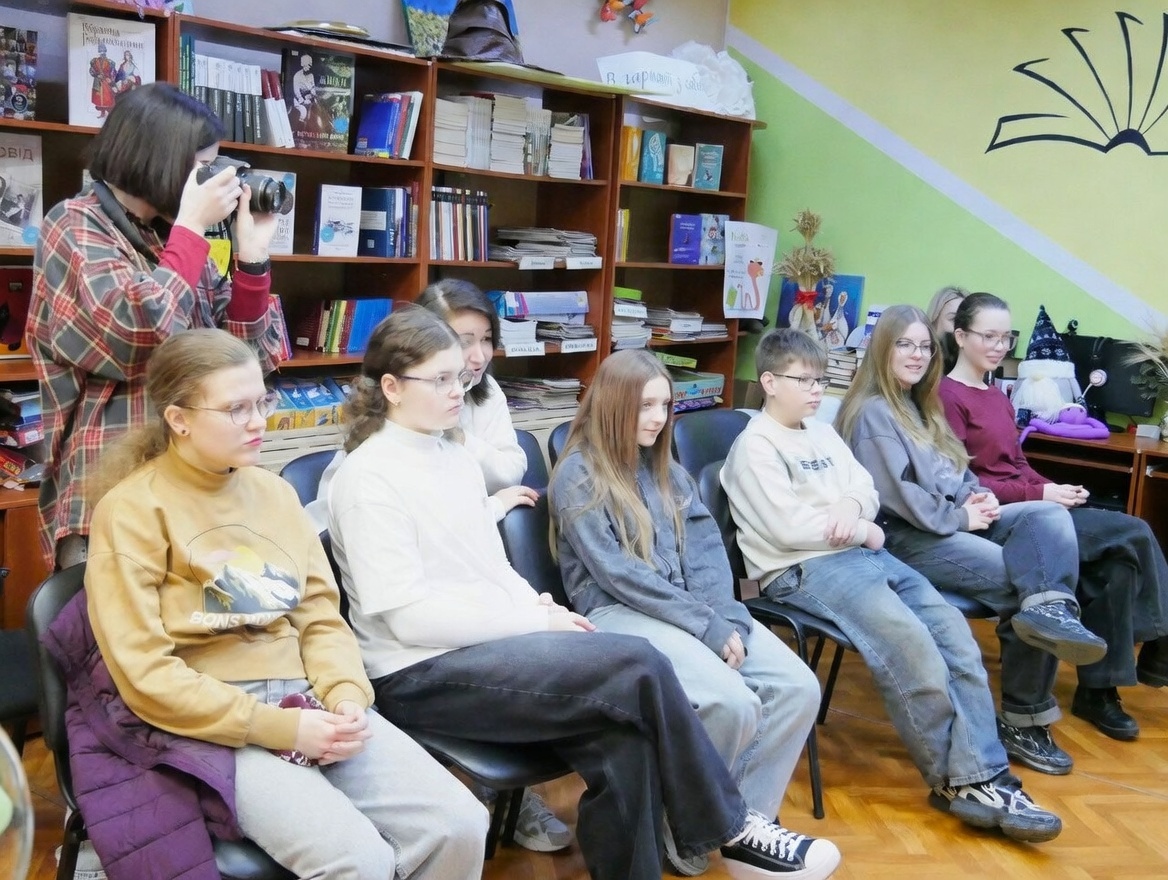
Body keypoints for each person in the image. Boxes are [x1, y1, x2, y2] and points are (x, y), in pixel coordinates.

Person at [328, 306, 841, 880]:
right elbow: (410, 621)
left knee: (626, 740)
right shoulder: (366, 477)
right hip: (416, 672)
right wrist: (533, 623)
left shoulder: (454, 457)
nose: (459, 390)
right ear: (392, 387)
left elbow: (489, 568)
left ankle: (698, 839)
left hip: (486, 645)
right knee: (638, 661)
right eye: (442, 379)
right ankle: (732, 827)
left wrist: (534, 603)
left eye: (462, 377)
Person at [80, 328, 487, 880]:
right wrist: (281, 729)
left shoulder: (273, 493)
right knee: (358, 861)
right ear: (179, 419)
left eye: (262, 402)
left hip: (308, 698)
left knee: (460, 823)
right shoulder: (131, 510)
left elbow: (319, 614)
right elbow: (146, 674)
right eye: (236, 409)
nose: (258, 422)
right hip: (213, 716)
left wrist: (345, 694)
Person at [720, 328, 1062, 843]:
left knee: (954, 635)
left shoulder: (822, 431)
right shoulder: (754, 447)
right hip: (801, 569)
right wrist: (865, 528)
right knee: (910, 645)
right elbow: (787, 529)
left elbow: (865, 485)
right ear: (769, 382)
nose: (816, 390)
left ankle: (987, 777)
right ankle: (958, 782)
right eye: (803, 380)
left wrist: (852, 508)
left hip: (860, 555)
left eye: (820, 380)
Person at [548, 349, 832, 873]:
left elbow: (706, 553)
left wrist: (727, 618)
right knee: (731, 703)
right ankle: (689, 827)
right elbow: (619, 575)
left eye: (664, 405)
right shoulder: (578, 475)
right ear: (613, 405)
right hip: (618, 612)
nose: (658, 418)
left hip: (693, 610)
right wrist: (704, 625)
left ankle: (740, 825)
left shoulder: (669, 472)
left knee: (798, 688)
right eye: (644, 406)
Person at [835, 305, 1107, 777]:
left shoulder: (919, 404)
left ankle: (1053, 610)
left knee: (1047, 517)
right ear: (882, 349)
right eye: (904, 344)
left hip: (951, 519)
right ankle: (1025, 719)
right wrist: (961, 516)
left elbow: (954, 468)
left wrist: (973, 496)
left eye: (924, 346)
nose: (917, 355)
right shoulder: (875, 412)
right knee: (1025, 585)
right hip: (905, 537)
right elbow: (899, 497)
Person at [28, 82, 286, 571]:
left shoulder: (171, 240)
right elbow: (135, 340)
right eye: (202, 167)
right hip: (111, 485)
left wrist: (252, 260)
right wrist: (190, 230)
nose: (212, 181)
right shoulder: (76, 225)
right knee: (119, 621)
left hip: (199, 480)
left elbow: (242, 359)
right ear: (162, 161)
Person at [940, 292, 1168, 740]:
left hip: (1035, 507)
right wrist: (1042, 493)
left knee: (1118, 567)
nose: (999, 346)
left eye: (1006, 337)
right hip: (1002, 520)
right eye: (988, 336)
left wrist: (1054, 488)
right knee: (1135, 531)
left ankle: (1098, 693)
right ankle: (1161, 652)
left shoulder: (996, 395)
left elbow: (1016, 463)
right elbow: (964, 483)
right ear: (961, 336)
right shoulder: (947, 397)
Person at [418, 278, 568, 852]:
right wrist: (488, 498)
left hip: (475, 543)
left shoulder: (484, 395)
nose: (477, 355)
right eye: (463, 340)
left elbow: (510, 468)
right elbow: (429, 507)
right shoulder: (398, 407)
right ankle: (483, 786)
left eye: (485, 339)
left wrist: (458, 434)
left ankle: (511, 787)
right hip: (427, 563)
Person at [926, 285, 968, 372]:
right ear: (934, 319)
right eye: (953, 319)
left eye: (965, 321)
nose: (960, 326)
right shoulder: (921, 360)